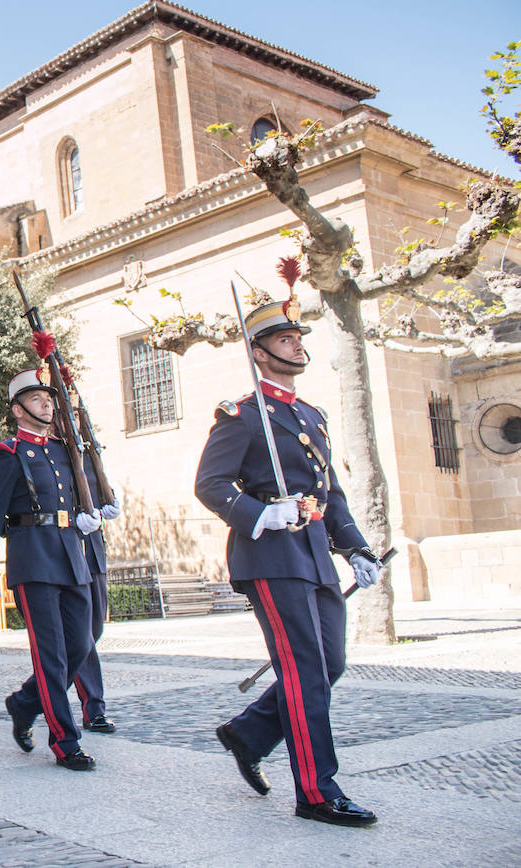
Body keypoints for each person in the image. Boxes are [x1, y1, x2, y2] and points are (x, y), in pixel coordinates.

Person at [195, 293, 382, 827]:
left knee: (330, 665)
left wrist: (356, 547)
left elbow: (332, 492)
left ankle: (249, 733)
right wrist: (259, 514)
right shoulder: (242, 416)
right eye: (284, 340)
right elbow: (210, 485)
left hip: (315, 555)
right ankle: (316, 791)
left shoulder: (310, 414)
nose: (296, 346)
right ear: (259, 352)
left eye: (298, 339)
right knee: (304, 671)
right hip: (271, 555)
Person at [0, 347, 103, 771]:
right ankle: (65, 740)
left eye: (49, 398)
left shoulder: (66, 450)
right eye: (36, 399)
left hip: (70, 553)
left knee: (82, 645)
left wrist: (89, 516)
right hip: (34, 558)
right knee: (51, 654)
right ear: (17, 409)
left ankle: (25, 702)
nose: (46, 404)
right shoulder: (6, 454)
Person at [71, 453, 121, 733]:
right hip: (69, 553)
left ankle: (44, 685)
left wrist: (109, 502)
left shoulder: (89, 456)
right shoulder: (54, 454)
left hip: (94, 552)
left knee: (95, 628)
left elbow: (103, 493)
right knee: (82, 637)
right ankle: (94, 708)